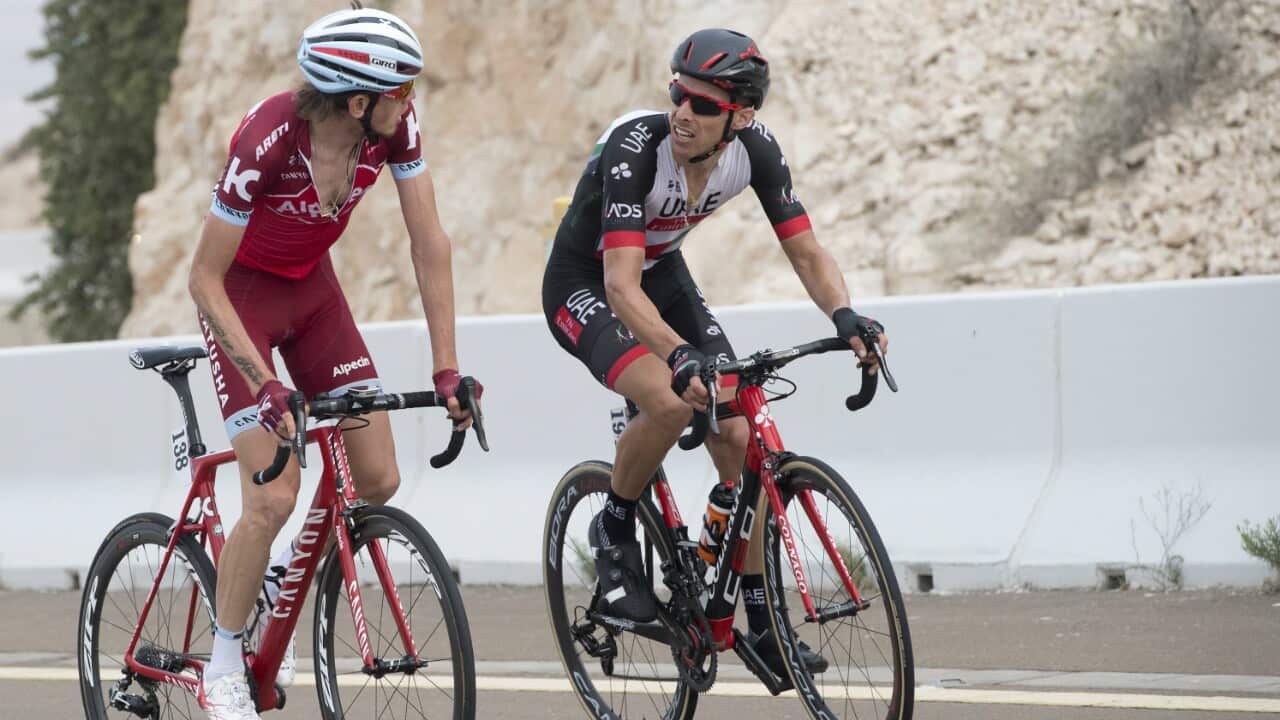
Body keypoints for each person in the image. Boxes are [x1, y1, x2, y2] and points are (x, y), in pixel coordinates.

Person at [541, 28, 887, 678]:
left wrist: (846, 317)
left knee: (738, 432)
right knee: (672, 405)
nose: (682, 113)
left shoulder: (754, 151)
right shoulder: (636, 148)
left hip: (661, 270)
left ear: (741, 116)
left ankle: (758, 622)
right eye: (678, 93)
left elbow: (807, 250)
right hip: (586, 282)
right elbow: (619, 284)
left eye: (703, 105)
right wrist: (676, 357)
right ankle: (613, 530)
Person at [186, 6, 478, 718]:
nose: (411, 101)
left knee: (377, 475)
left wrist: (447, 367)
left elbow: (428, 241)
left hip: (314, 295)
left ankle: (280, 580)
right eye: (400, 88)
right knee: (274, 496)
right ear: (357, 100)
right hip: (242, 297)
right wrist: (265, 382)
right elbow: (203, 278)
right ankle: (224, 660)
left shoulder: (395, 128)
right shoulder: (267, 140)